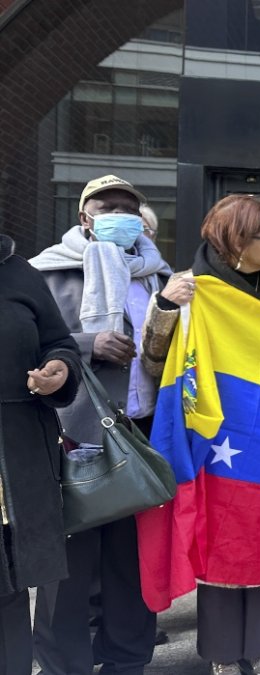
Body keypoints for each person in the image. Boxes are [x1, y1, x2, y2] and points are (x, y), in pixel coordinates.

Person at [140, 194, 260, 675]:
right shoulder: (191, 289)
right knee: (220, 541)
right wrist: (166, 307)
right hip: (212, 437)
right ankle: (223, 653)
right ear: (238, 241)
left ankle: (259, 646)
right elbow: (154, 363)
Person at [28, 174, 170, 675]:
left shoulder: (156, 276)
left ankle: (127, 657)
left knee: (132, 558)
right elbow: (26, 340)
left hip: (141, 430)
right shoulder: (45, 271)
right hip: (75, 433)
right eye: (109, 207)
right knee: (70, 562)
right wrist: (90, 344)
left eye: (129, 208)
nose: (120, 215)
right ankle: (62, 662)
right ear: (84, 216)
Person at [0, 233, 81, 675]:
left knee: (9, 588)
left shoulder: (18, 272)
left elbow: (58, 342)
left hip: (17, 458)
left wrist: (59, 369)